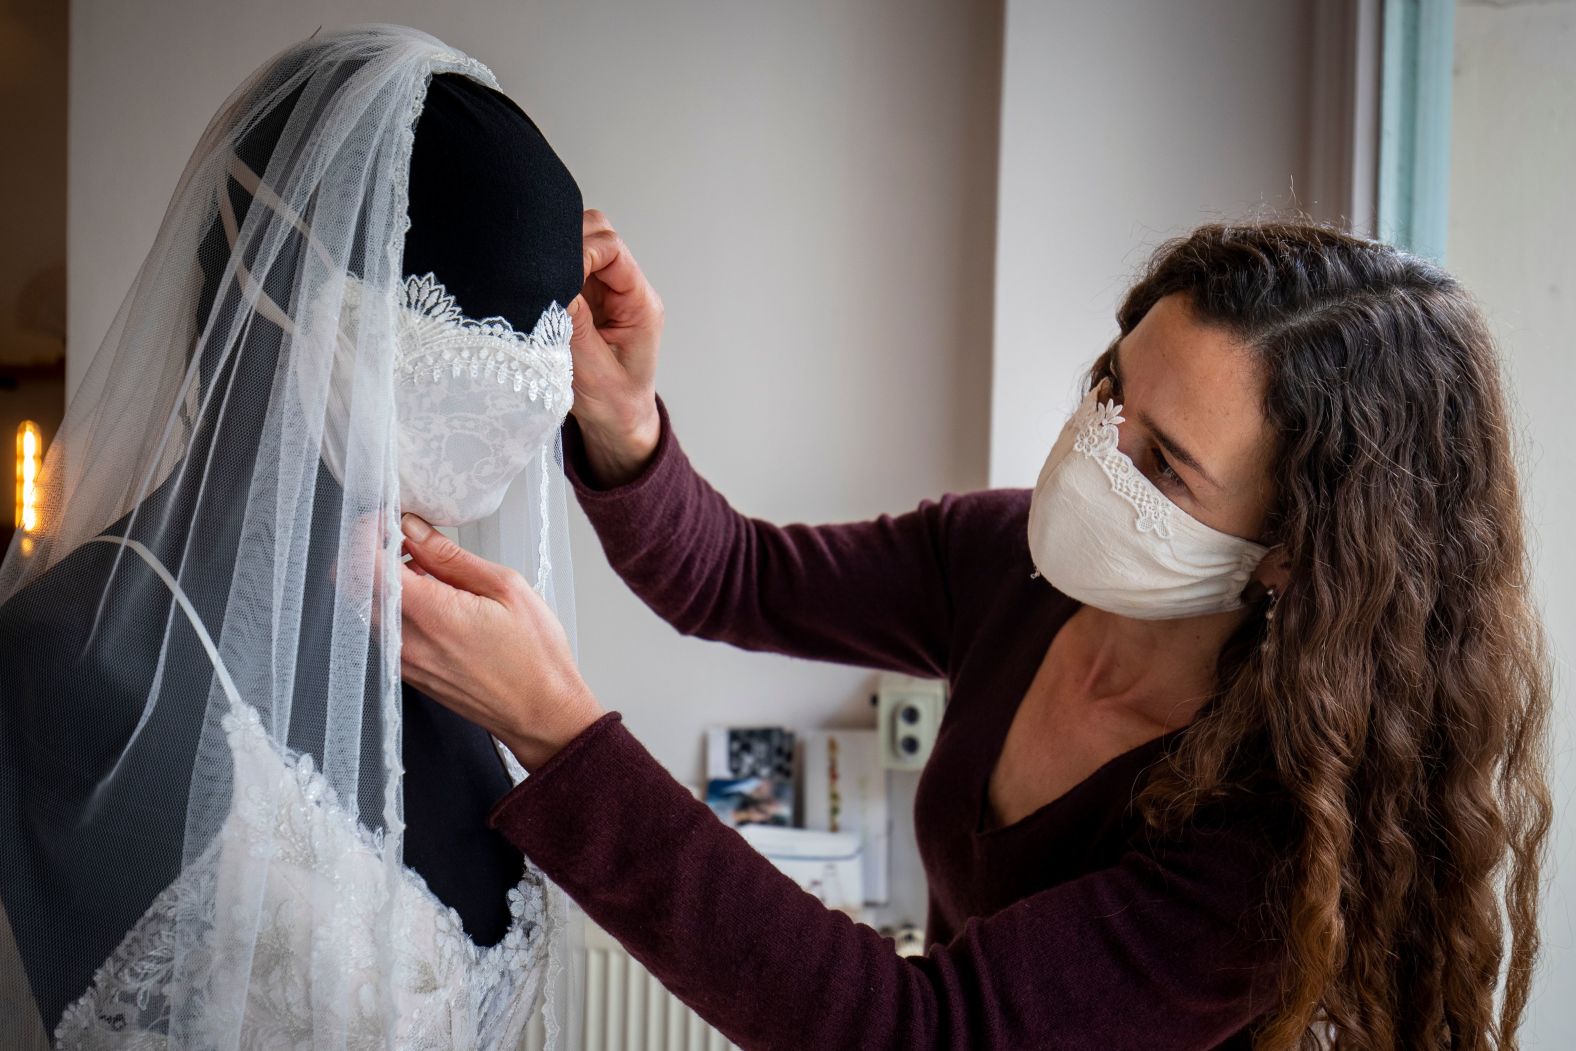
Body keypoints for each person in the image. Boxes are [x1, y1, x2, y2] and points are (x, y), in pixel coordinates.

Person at [400, 216, 1554, 1049]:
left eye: (1165, 463)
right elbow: (734, 578)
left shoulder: (1276, 839)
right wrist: (625, 419)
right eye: (1113, 390)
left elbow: (923, 1032)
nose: (1096, 454)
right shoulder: (1010, 562)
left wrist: (559, 734)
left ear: (1297, 552)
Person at [0, 26, 583, 1049]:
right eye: (470, 329)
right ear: (277, 281)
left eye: (544, 337)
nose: (526, 385)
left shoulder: (472, 655)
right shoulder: (78, 661)